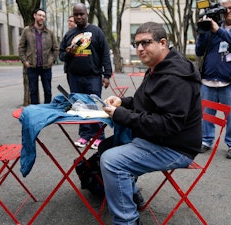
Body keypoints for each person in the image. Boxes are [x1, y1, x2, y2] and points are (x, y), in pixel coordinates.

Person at [99, 22, 202, 225]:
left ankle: (126, 221)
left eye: (145, 43)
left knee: (111, 160)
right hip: (158, 138)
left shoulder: (176, 76)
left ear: (162, 43)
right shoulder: (157, 67)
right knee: (105, 147)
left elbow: (168, 124)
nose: (139, 49)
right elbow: (145, 102)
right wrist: (123, 102)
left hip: (175, 147)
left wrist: (121, 115)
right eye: (136, 44)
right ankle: (130, 194)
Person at [195, 0, 231, 159]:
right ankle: (206, 141)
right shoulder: (213, 27)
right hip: (208, 81)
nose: (228, 11)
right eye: (225, 8)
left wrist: (217, 30)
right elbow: (199, 51)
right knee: (206, 115)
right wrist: (202, 32)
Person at [59, 3, 112, 150]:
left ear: (86, 14)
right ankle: (84, 136)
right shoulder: (69, 34)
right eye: (76, 14)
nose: (79, 17)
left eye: (81, 14)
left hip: (93, 76)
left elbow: (105, 54)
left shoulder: (97, 32)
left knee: (94, 106)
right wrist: (68, 53)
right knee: (79, 107)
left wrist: (107, 74)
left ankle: (99, 137)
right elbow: (61, 56)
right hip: (74, 77)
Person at [18, 8, 59, 104]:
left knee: (48, 91)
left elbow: (56, 48)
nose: (42, 18)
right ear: (35, 16)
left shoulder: (50, 32)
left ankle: (48, 111)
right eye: (40, 15)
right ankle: (36, 112)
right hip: (32, 66)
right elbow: (21, 47)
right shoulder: (27, 31)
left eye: (44, 16)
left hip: (46, 67)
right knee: (33, 91)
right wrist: (25, 61)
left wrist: (51, 61)